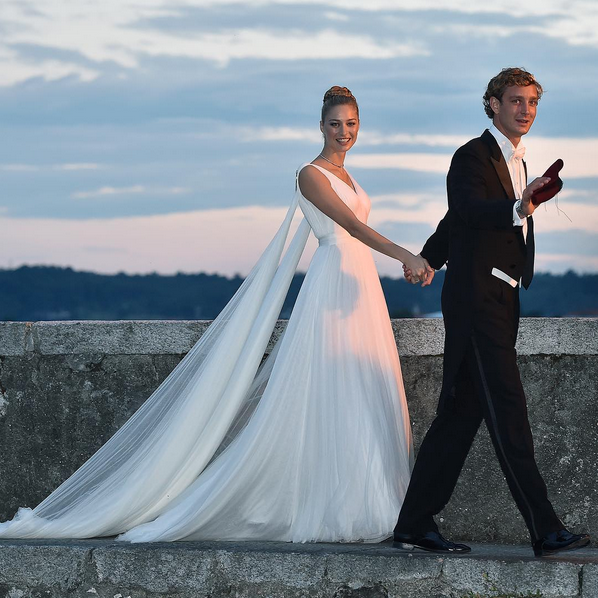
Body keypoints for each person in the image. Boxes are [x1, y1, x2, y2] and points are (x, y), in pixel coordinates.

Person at [0, 86, 429, 543]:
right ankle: (327, 506)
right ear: (320, 126)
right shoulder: (310, 175)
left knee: (362, 394)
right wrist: (406, 253)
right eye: (335, 124)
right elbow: (352, 227)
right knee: (329, 394)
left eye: (351, 124)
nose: (344, 132)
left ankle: (369, 503)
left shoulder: (351, 175)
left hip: (360, 288)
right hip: (333, 281)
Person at [393, 67, 591, 557]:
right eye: (516, 101)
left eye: (532, 102)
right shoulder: (470, 156)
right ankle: (545, 529)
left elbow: (453, 221)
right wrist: (518, 207)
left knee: (459, 415)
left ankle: (414, 525)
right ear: (493, 104)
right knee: (508, 408)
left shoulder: (520, 162)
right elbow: (470, 208)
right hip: (476, 300)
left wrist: (428, 259)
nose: (525, 110)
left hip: (503, 300)